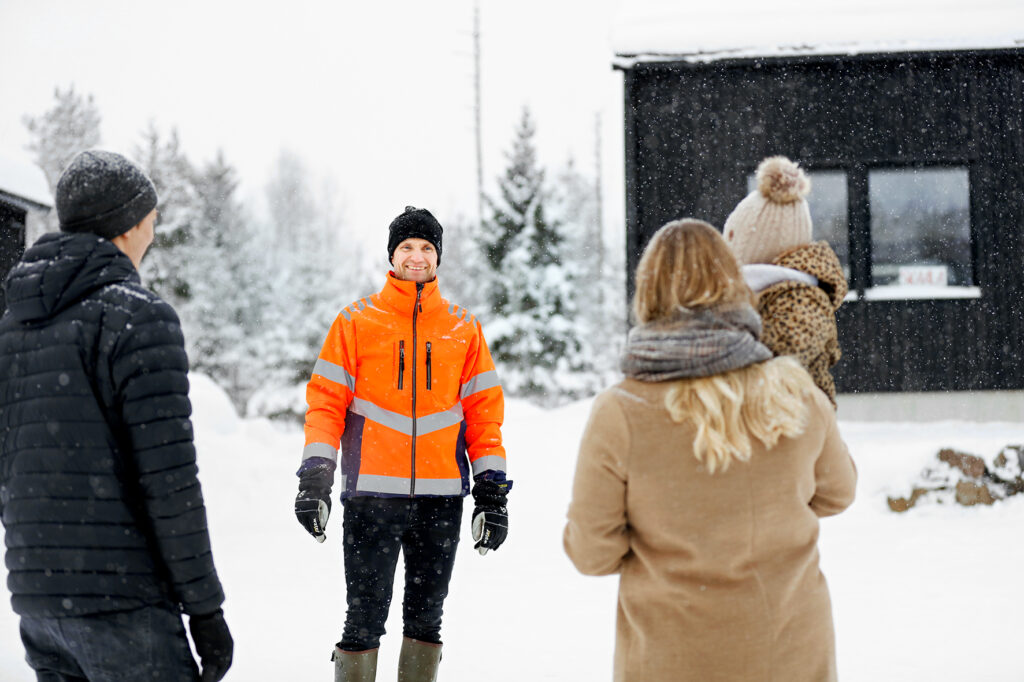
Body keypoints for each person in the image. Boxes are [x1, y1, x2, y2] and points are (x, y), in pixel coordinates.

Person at [563, 218, 857, 682]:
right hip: (791, 655)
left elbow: (591, 551)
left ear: (648, 293)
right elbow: (837, 494)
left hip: (673, 659)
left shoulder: (621, 411)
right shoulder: (795, 392)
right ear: (734, 282)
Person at [0, 150, 233, 681]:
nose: (153, 230)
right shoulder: (137, 317)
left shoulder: (15, 326)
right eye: (150, 217)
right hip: (124, 606)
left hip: (39, 608)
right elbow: (170, 483)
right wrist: (206, 609)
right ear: (129, 223)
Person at [294, 206, 510, 682]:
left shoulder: (464, 328)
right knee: (363, 620)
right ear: (392, 255)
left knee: (427, 622)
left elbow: (484, 418)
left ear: (438, 257)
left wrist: (491, 493)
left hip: (441, 500)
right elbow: (326, 406)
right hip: (371, 499)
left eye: (427, 248)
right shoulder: (354, 322)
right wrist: (314, 480)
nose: (417, 257)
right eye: (407, 247)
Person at [723, 155, 848, 407]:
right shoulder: (764, 293)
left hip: (793, 428)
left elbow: (783, 358)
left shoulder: (802, 299)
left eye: (732, 240)